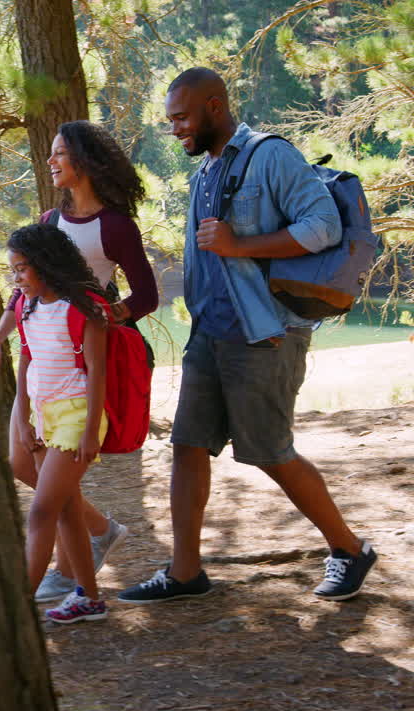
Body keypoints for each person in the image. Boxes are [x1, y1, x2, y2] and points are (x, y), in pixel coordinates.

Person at [119, 67, 377, 604]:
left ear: (215, 106)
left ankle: (350, 549)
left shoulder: (270, 155)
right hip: (210, 334)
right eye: (170, 120)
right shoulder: (205, 171)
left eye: (182, 118)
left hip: (265, 334)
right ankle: (185, 573)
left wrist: (240, 245)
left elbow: (323, 227)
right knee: (188, 446)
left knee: (268, 452)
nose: (175, 129)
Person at [0, 120, 159, 603]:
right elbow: (22, 293)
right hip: (41, 367)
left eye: (60, 153)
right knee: (21, 464)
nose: (51, 161)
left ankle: (72, 579)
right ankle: (101, 531)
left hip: (75, 370)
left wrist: (105, 316)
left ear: (83, 160)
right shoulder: (49, 221)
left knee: (49, 495)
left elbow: (146, 294)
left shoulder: (115, 226)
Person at [9, 222, 115, 624]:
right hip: (43, 416)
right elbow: (26, 360)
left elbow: (97, 372)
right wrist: (23, 420)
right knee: (67, 509)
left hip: (76, 415)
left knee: (41, 512)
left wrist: (90, 431)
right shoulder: (26, 306)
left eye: (22, 269)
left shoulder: (83, 308)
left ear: (45, 263)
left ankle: (16, 612)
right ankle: (89, 598)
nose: (17, 278)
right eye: (13, 270)